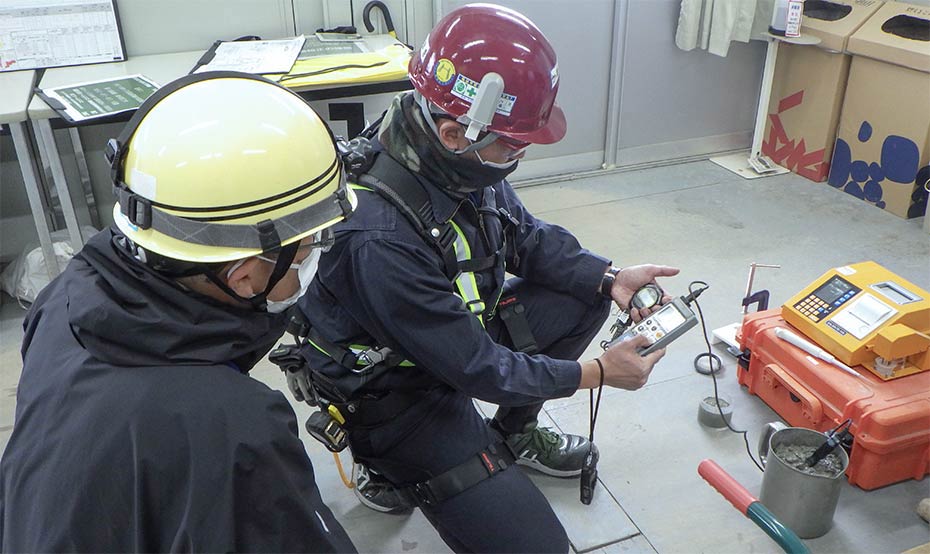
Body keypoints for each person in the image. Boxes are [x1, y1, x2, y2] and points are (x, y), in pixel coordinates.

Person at [291, 4, 678, 552]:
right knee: (537, 548)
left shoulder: (451, 158)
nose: (520, 153)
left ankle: (513, 435)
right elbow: (476, 368)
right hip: (396, 394)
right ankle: (390, 468)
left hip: (449, 344)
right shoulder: (377, 236)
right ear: (456, 132)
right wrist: (595, 373)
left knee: (584, 292)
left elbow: (525, 236)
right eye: (514, 144)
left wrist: (609, 277)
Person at [0, 72, 358, 553]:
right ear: (245, 275)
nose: (314, 259)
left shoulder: (66, 297)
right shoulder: (235, 431)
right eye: (309, 247)